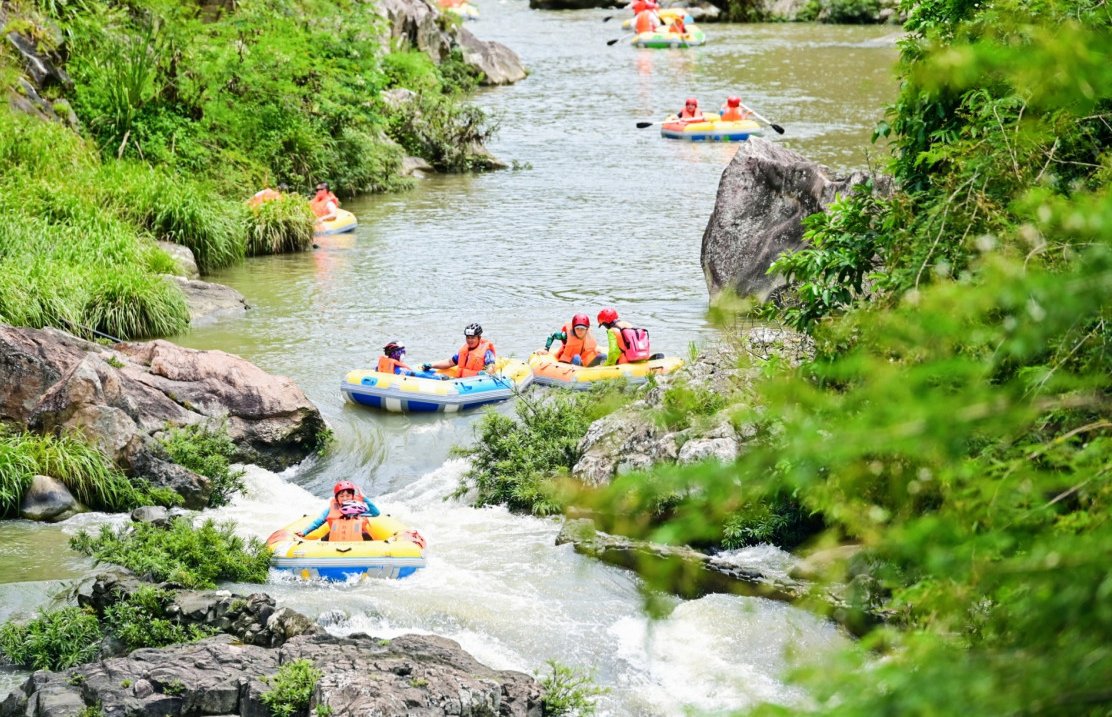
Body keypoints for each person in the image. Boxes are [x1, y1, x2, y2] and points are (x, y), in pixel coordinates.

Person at [295, 480, 381, 539]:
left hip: (357, 536)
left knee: (366, 535)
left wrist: (364, 498)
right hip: (337, 536)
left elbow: (376, 513)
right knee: (327, 536)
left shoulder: (358, 508)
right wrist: (304, 532)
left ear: (352, 496)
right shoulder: (331, 510)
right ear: (336, 498)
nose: (345, 498)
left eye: (348, 496)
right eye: (341, 496)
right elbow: (317, 522)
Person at [422, 323, 496, 378]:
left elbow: (491, 367)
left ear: (479, 338)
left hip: (476, 381)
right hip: (461, 380)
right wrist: (431, 365)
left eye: (472, 337)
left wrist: (484, 373)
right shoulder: (464, 351)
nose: (470, 340)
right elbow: (450, 362)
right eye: (468, 337)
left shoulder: (486, 352)